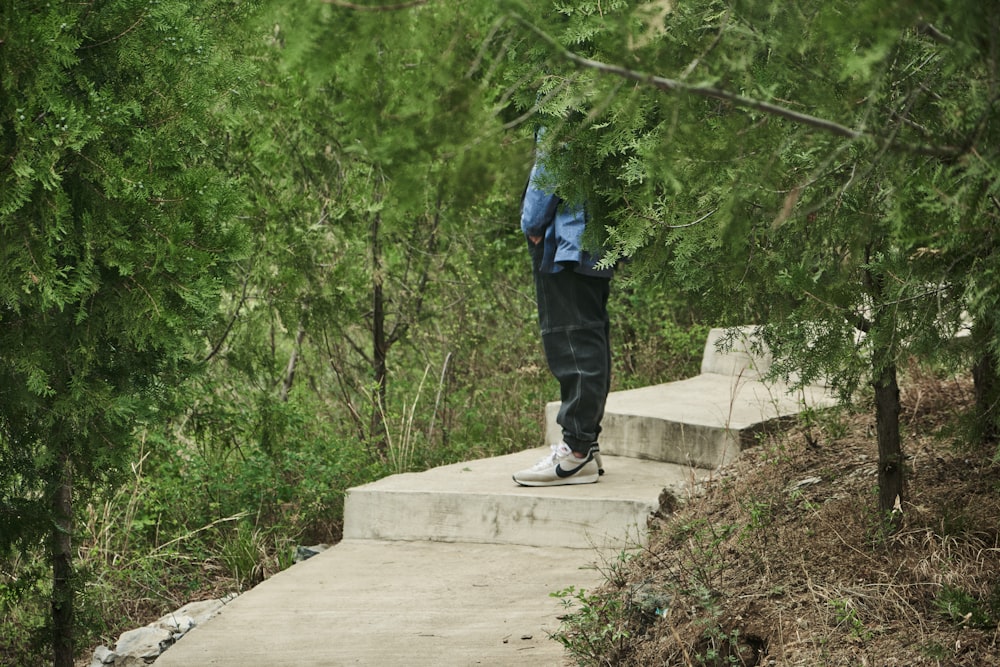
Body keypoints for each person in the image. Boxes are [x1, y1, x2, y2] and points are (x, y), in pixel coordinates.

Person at [512, 129, 612, 487]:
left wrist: (532, 221)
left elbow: (557, 153)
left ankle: (577, 451)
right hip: (594, 232)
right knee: (588, 332)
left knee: (571, 338)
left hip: (567, 236)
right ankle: (584, 442)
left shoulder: (567, 81)